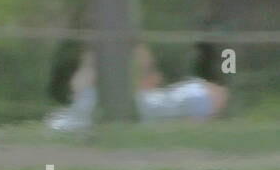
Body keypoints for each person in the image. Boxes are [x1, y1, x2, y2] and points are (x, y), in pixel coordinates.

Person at [46, 43, 229, 131]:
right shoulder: (138, 106)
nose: (159, 78)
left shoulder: (65, 120)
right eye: (151, 70)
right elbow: (210, 96)